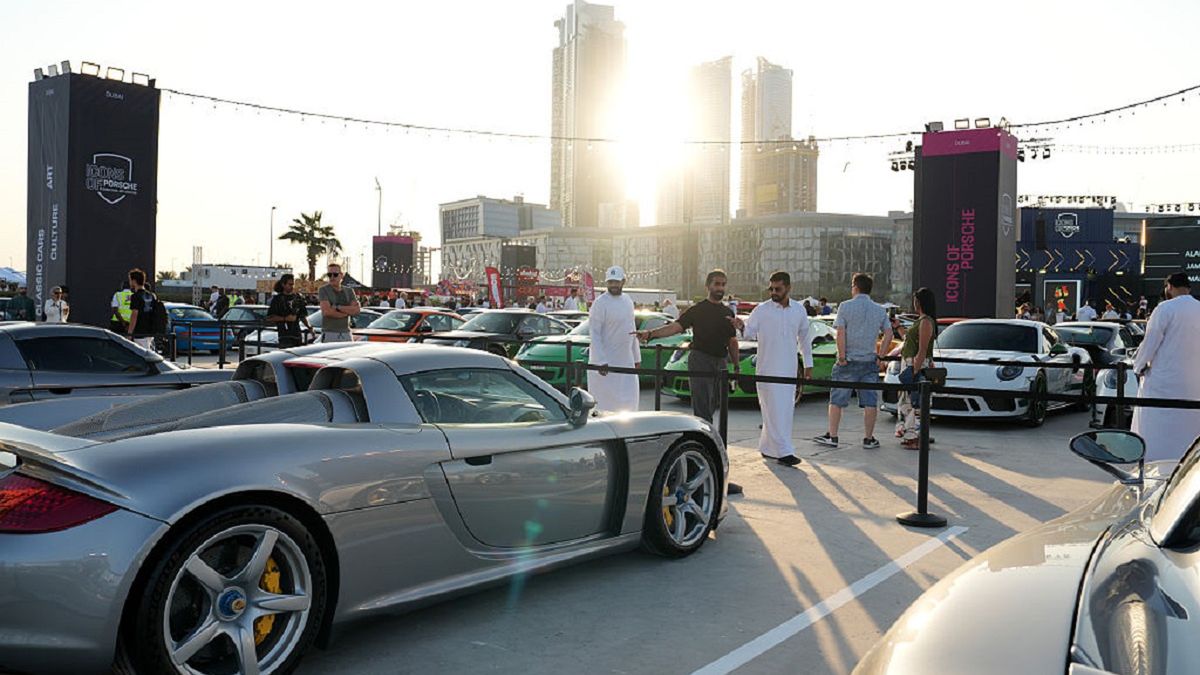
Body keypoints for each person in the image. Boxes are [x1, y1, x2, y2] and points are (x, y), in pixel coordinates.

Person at [638, 269, 743, 495]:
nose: (720, 288)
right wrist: (650, 334)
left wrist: (736, 365)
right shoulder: (697, 310)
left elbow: (732, 341)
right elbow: (675, 327)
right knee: (703, 415)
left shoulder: (727, 312)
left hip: (720, 363)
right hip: (701, 361)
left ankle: (711, 470)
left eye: (723, 284)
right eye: (716, 284)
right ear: (708, 286)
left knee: (713, 411)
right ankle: (703, 469)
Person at [735, 271, 812, 466]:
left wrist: (808, 364)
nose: (773, 292)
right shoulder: (762, 310)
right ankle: (785, 452)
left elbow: (804, 339)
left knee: (785, 410)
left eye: (778, 289)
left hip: (789, 369)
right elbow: (748, 334)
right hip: (767, 369)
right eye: (771, 289)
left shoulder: (799, 310)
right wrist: (740, 326)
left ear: (788, 288)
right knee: (773, 410)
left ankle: (768, 447)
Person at [815, 272, 893, 449]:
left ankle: (833, 436)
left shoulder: (845, 306)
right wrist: (880, 356)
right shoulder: (879, 310)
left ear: (855, 287)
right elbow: (888, 334)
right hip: (869, 361)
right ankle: (868, 438)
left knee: (837, 401)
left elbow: (840, 333)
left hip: (848, 360)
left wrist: (842, 356)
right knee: (870, 402)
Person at [1132, 272, 1200, 462]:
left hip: (1163, 384)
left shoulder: (1164, 308)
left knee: (1157, 432)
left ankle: (1155, 466)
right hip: (1195, 386)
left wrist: (1138, 366)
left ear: (1169, 287)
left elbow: (1150, 342)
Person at [587, 266, 640, 413]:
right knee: (604, 404)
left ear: (623, 281)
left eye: (616, 282)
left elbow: (632, 329)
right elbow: (595, 333)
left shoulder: (628, 300)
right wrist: (600, 361)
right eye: (610, 282)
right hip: (605, 364)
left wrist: (636, 357)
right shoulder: (600, 303)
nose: (613, 285)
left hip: (626, 361)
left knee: (629, 401)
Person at [895, 288, 938, 449]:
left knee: (914, 402)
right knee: (908, 402)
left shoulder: (926, 321)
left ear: (919, 302)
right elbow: (909, 340)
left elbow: (922, 349)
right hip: (911, 363)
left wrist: (914, 370)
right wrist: (899, 328)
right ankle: (912, 435)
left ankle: (914, 437)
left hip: (915, 365)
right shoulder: (921, 320)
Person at [318, 263, 360, 343]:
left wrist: (337, 307)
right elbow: (326, 312)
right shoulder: (323, 290)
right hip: (329, 333)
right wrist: (347, 313)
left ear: (341, 275)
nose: (332, 277)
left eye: (335, 274)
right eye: (329, 275)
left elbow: (356, 310)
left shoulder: (349, 291)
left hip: (346, 333)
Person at [267, 274, 310, 348]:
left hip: (297, 335)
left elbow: (302, 316)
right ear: (283, 284)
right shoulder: (277, 299)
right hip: (284, 336)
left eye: (293, 284)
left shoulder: (298, 298)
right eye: (289, 284)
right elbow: (270, 318)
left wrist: (309, 327)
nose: (292, 287)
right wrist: (285, 318)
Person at [126, 268, 158, 350]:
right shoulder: (152, 296)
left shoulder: (135, 296)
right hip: (150, 331)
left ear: (134, 281)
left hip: (139, 332)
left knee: (141, 354)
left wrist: (129, 334)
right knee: (149, 352)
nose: (130, 282)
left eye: (130, 280)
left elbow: (134, 315)